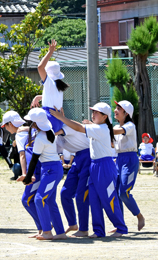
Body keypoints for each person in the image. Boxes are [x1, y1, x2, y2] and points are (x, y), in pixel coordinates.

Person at [50, 102, 128, 238]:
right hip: (94, 165)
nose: (93, 114)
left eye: (97, 112)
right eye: (93, 111)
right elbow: (80, 126)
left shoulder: (101, 129)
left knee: (109, 198)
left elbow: (79, 128)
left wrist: (62, 118)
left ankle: (121, 227)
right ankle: (99, 231)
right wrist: (64, 118)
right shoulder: (97, 127)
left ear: (104, 117)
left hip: (105, 166)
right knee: (94, 199)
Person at [23, 108, 66, 240]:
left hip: (51, 170)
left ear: (36, 123)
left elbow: (34, 159)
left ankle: (47, 232)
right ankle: (60, 232)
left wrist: (27, 178)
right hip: (52, 169)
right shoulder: (49, 130)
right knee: (50, 201)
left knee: (39, 199)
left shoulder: (41, 137)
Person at [112, 100, 145, 231]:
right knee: (116, 192)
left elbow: (115, 132)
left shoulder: (130, 125)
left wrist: (98, 128)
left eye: (119, 108)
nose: (115, 110)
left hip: (130, 160)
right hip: (119, 159)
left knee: (123, 192)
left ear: (126, 113)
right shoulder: (115, 127)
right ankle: (120, 224)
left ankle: (139, 216)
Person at [56, 124, 91, 237]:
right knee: (65, 193)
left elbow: (53, 131)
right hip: (77, 158)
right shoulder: (57, 137)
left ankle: (84, 229)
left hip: (88, 156)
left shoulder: (68, 126)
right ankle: (72, 224)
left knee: (81, 196)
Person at [33, 39, 69, 133]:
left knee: (31, 135)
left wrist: (50, 52)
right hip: (58, 121)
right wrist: (38, 97)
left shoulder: (50, 83)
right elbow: (51, 97)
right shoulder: (59, 86)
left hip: (49, 119)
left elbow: (40, 67)